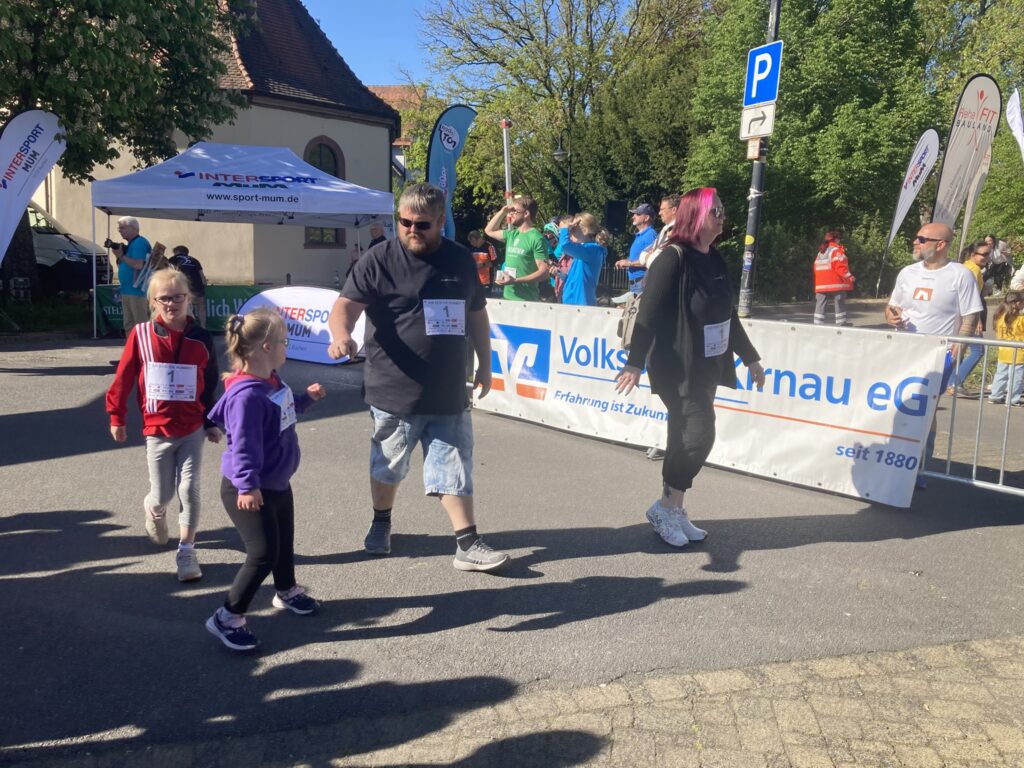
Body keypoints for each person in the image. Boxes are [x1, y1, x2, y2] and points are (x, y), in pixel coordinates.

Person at [327, 183, 510, 572]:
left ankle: (467, 542)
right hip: (392, 390)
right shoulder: (378, 260)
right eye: (405, 222)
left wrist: (485, 363)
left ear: (441, 222)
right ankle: (381, 522)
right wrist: (341, 336)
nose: (412, 229)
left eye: (422, 224)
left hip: (447, 389)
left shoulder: (460, 260)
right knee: (387, 466)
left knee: (455, 463)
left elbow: (477, 314)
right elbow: (345, 305)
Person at [614, 188, 765, 547]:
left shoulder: (713, 257)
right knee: (699, 433)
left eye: (722, 211)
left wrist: (750, 356)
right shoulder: (672, 258)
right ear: (695, 216)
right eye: (715, 211)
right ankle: (665, 506)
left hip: (708, 364)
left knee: (682, 434)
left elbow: (727, 314)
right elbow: (647, 314)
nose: (722, 217)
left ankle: (675, 507)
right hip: (675, 365)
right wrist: (634, 363)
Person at [204, 309, 326, 651]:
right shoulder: (246, 396)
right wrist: (247, 485)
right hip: (247, 487)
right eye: (285, 340)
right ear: (267, 346)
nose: (288, 346)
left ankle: (286, 590)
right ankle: (227, 616)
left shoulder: (272, 380)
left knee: (283, 541)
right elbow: (242, 444)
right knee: (263, 553)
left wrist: (306, 400)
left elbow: (284, 410)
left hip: (274, 480)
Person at [106, 267, 222, 580]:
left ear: (189, 298)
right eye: (164, 299)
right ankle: (154, 510)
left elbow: (209, 382)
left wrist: (211, 420)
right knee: (163, 493)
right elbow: (124, 378)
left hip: (192, 427)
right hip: (156, 429)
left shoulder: (201, 338)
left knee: (189, 487)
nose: (172, 304)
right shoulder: (141, 335)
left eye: (178, 297)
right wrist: (117, 416)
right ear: (153, 301)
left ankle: (186, 551)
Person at [885, 222, 983, 488]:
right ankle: (892, 459)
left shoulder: (960, 275)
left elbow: (970, 315)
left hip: (938, 354)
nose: (916, 242)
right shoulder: (907, 272)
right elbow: (892, 306)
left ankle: (919, 467)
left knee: (924, 409)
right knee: (897, 403)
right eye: (917, 238)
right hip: (904, 350)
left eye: (922, 239)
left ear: (940, 245)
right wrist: (891, 315)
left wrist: (958, 348)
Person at [484, 197, 549, 301]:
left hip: (527, 300)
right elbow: (489, 230)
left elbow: (544, 272)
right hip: (507, 298)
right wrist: (503, 211)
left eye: (515, 211)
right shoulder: (512, 234)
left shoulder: (536, 238)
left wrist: (516, 280)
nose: (511, 214)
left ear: (526, 213)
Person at [950, 240, 991, 395]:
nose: (987, 257)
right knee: (977, 350)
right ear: (973, 255)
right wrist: (978, 320)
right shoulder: (973, 270)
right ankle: (955, 382)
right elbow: (970, 298)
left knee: (960, 349)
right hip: (969, 317)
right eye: (984, 254)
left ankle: (951, 382)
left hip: (961, 315)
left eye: (989, 254)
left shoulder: (966, 266)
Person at [110, 216, 152, 334]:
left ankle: (143, 351)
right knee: (129, 325)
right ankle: (133, 350)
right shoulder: (131, 244)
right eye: (119, 228)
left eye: (122, 227)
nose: (119, 230)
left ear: (134, 228)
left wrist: (121, 256)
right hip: (128, 290)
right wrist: (120, 256)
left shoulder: (140, 243)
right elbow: (124, 266)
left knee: (140, 325)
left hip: (138, 291)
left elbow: (139, 265)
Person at [558, 213, 607, 307]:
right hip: (572, 305)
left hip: (582, 306)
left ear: (585, 230)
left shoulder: (593, 250)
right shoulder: (583, 251)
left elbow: (565, 245)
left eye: (573, 229)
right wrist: (561, 275)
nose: (570, 233)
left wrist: (565, 228)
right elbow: (576, 279)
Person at [988, 291, 1024, 406]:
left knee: (1001, 374)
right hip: (1018, 352)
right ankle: (1012, 399)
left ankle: (995, 395)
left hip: (1003, 351)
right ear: (1018, 303)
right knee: (1016, 377)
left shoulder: (1000, 317)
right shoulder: (1020, 319)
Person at [812, 230, 855, 325]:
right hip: (835, 282)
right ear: (836, 239)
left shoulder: (821, 252)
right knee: (839, 301)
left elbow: (815, 267)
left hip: (821, 284)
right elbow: (840, 267)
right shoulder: (836, 251)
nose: (840, 241)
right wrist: (849, 276)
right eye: (839, 239)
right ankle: (841, 323)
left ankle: (817, 325)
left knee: (820, 303)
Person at [614, 203, 658, 295]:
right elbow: (639, 258)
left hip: (642, 283)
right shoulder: (640, 235)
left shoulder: (650, 235)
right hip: (636, 284)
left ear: (646, 218)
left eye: (637, 214)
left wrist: (629, 263)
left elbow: (652, 259)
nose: (633, 217)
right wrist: (625, 261)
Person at [168, 245, 208, 328]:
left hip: (183, 285)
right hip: (197, 285)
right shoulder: (194, 260)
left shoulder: (172, 259)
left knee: (185, 307)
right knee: (201, 306)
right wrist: (204, 284)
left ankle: (188, 328)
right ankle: (203, 327)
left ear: (177, 252)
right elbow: (201, 276)